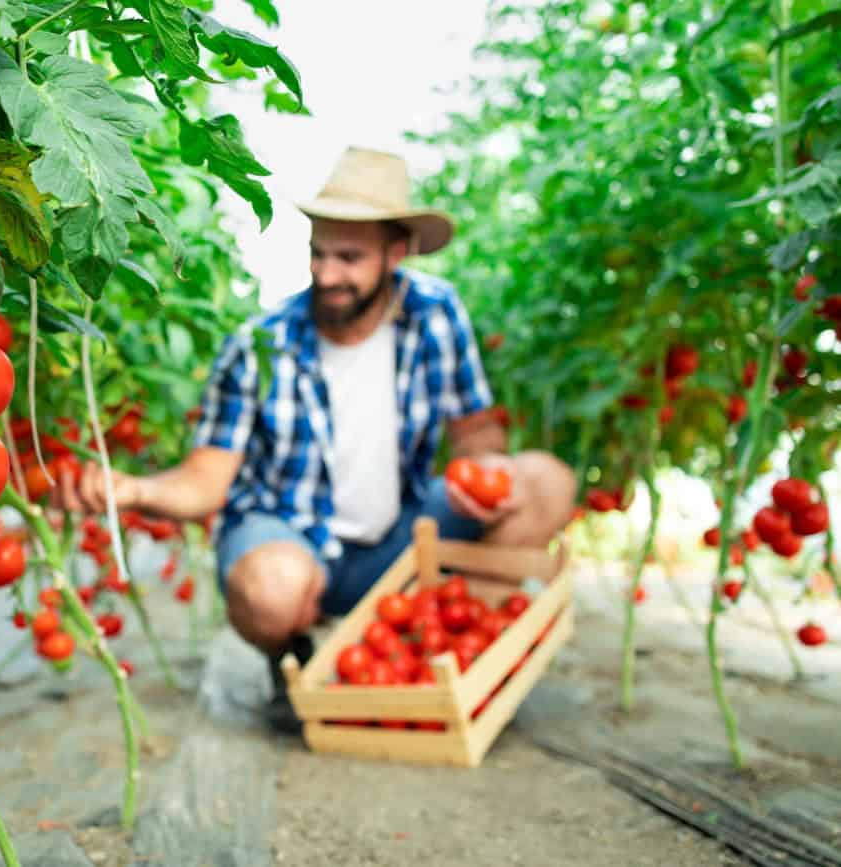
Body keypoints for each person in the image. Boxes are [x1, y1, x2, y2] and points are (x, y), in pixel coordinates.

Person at [56, 147, 577, 732]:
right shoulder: (261, 343)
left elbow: (476, 429)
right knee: (270, 589)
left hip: (399, 540)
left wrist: (484, 477)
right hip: (293, 542)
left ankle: (452, 647)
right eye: (318, 254)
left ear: (395, 253)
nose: (327, 275)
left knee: (548, 482)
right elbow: (207, 481)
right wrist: (131, 489)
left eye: (349, 258)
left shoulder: (435, 314)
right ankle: (293, 659)